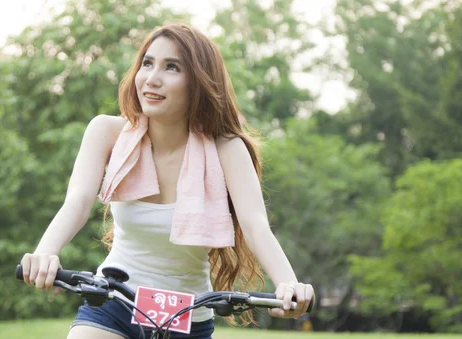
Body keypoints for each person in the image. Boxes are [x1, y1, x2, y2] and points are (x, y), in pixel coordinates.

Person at [19, 23, 315, 339]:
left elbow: (256, 225)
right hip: (113, 301)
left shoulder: (226, 149)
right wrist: (46, 252)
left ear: (198, 82)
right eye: (147, 63)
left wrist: (288, 284)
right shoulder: (106, 132)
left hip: (189, 316)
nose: (151, 78)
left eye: (171, 67)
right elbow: (77, 203)